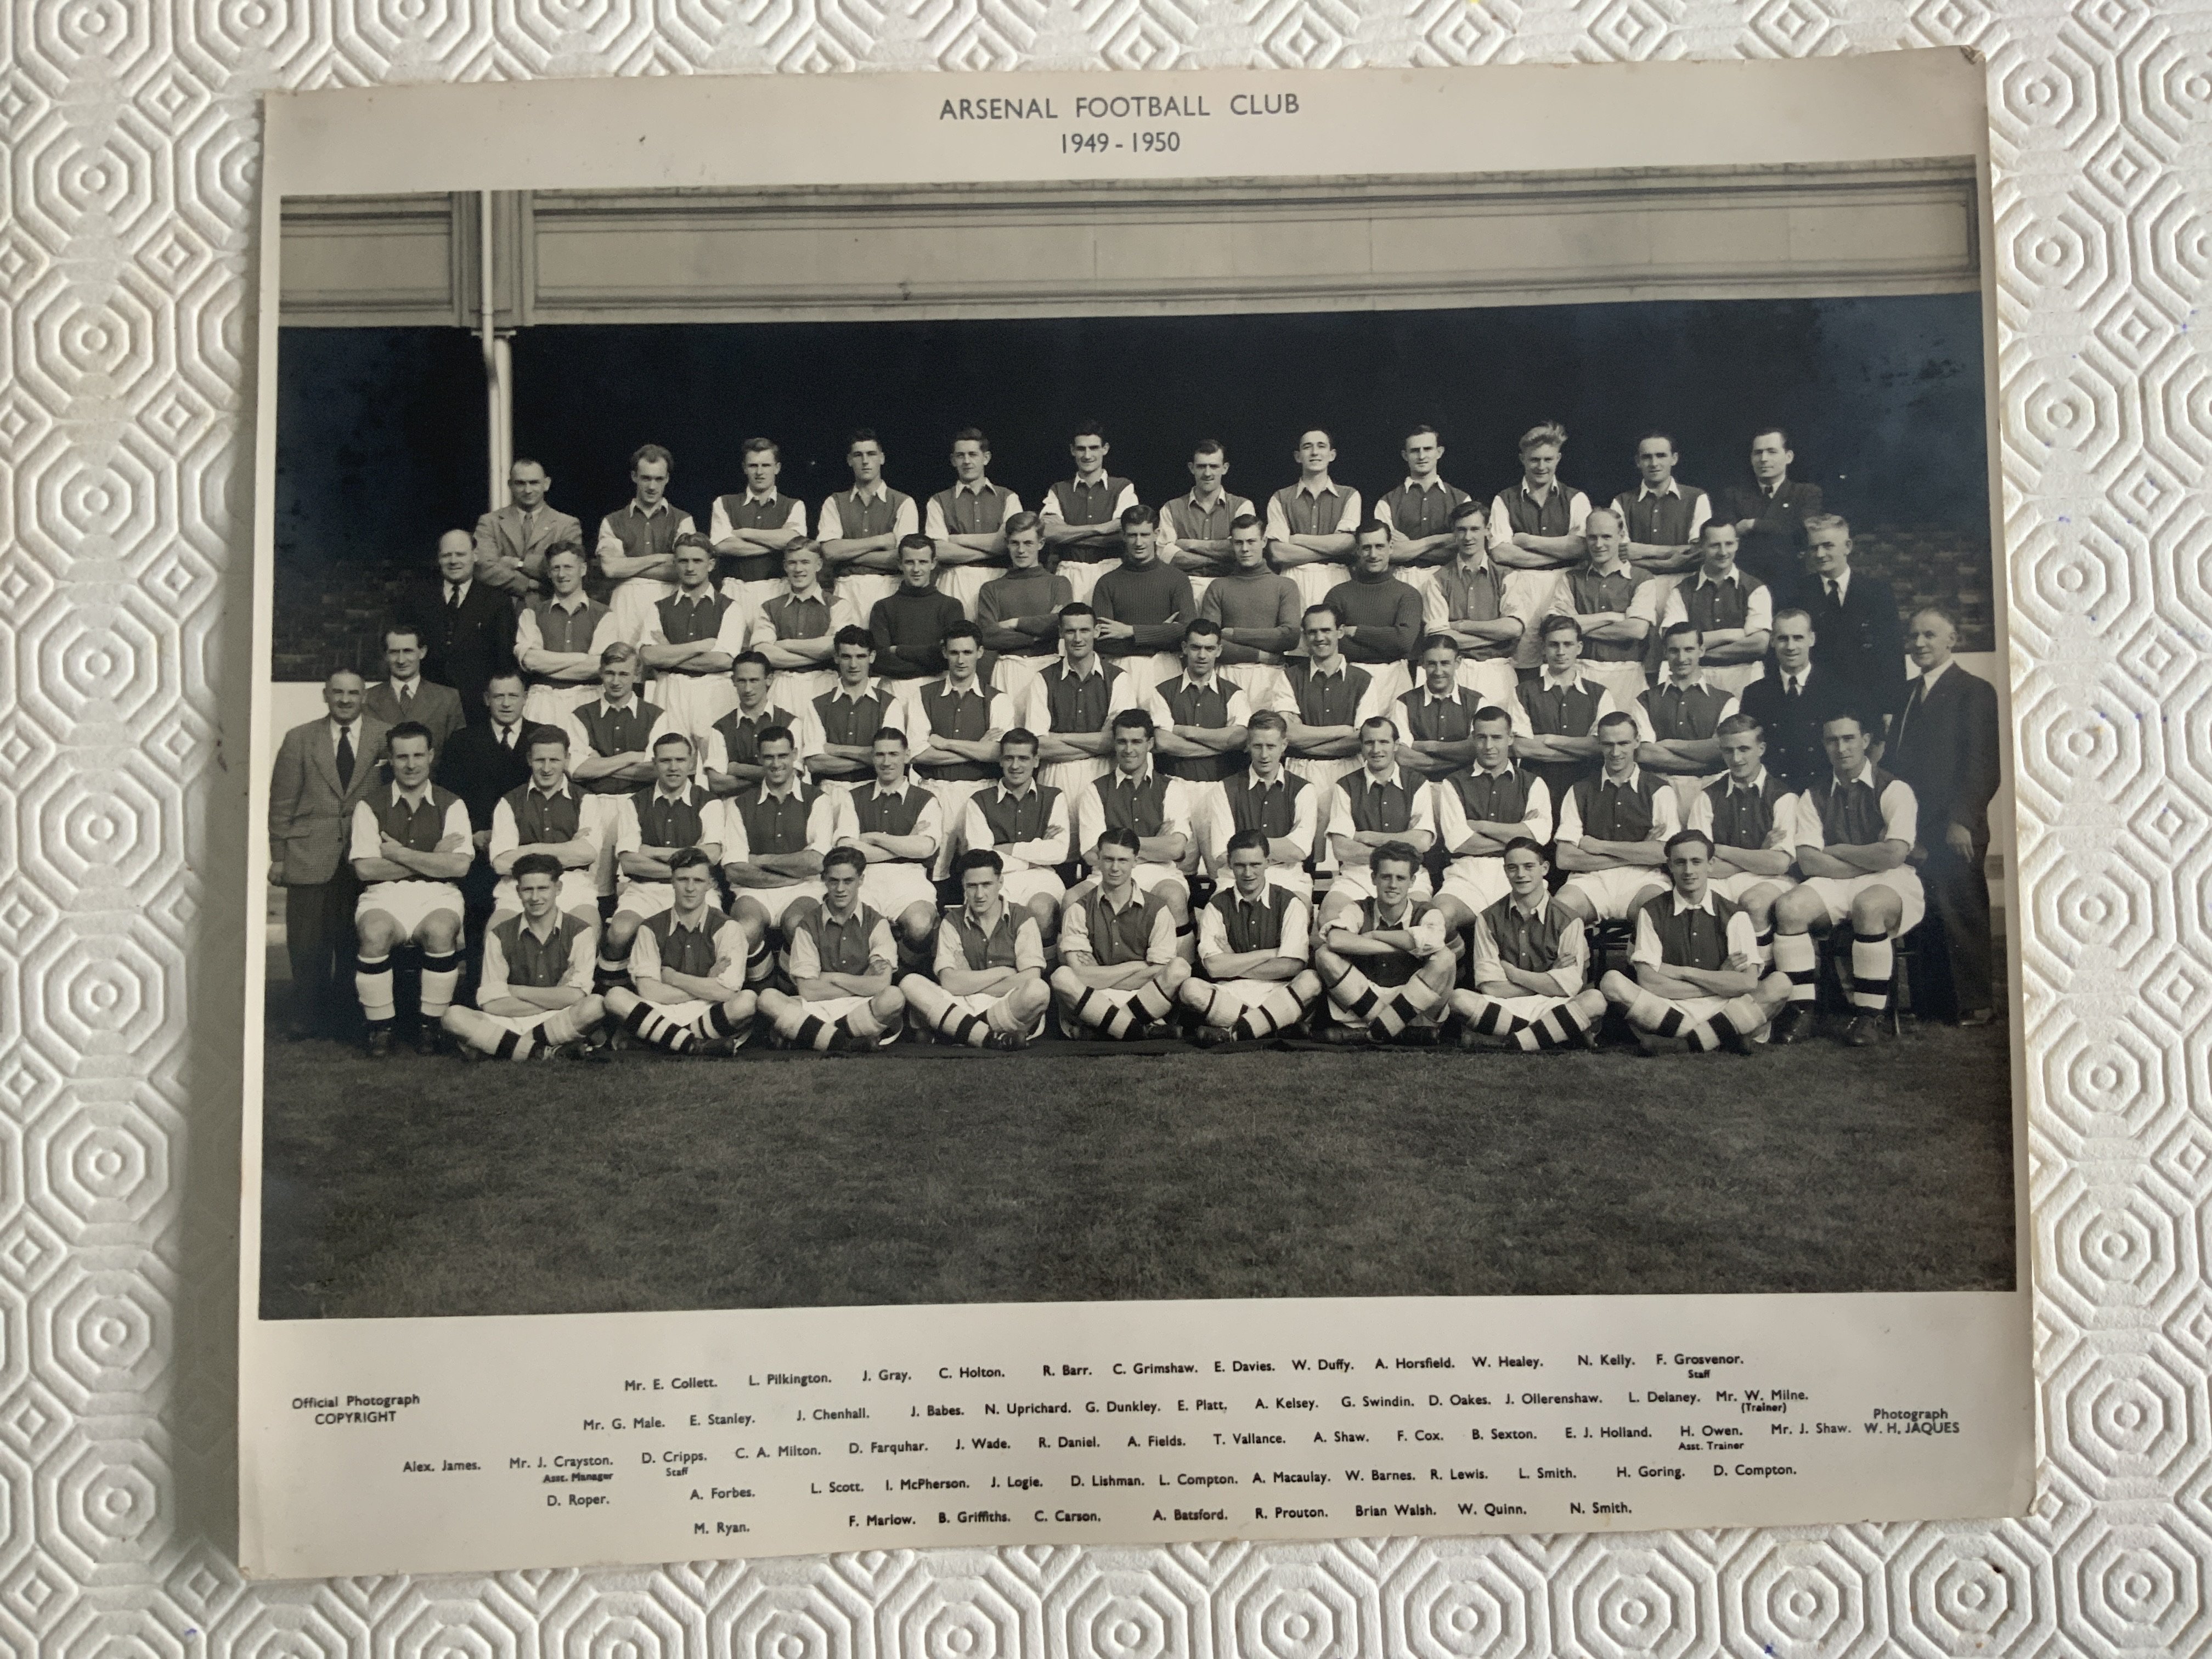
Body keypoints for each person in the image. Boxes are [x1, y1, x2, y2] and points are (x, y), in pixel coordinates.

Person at [1769, 710, 1926, 1047]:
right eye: (1832, 740)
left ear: (1866, 741)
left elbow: (1894, 855)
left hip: (1891, 879)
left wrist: (1837, 848)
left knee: (1868, 906)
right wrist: (1869, 855)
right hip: (1837, 879)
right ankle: (1802, 1011)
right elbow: (1809, 861)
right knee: (1789, 907)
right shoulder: (1814, 794)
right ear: (1825, 746)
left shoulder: (1895, 789)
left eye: (1849, 738)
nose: (1841, 748)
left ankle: (1869, 1016)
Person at [1884, 606, 2002, 1024]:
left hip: (1955, 827)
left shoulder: (1974, 691)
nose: (1920, 644)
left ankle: (1975, 1003)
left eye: (1930, 635)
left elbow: (1983, 763)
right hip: (1917, 825)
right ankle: (1932, 1004)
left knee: (1962, 913)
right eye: (1914, 636)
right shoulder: (1905, 693)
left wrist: (1962, 820)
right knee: (1926, 913)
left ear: (1952, 640)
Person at [268, 670, 389, 1039]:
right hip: (310, 852)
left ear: (364, 696)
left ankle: (348, 1017)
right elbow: (282, 802)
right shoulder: (299, 739)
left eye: (353, 693)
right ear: (325, 695)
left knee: (353, 938)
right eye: (338, 693)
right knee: (306, 943)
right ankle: (305, 1015)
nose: (346, 700)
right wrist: (278, 855)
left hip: (362, 854)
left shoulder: (385, 737)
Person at [1599, 830, 1792, 1053]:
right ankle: (1725, 1035)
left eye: (1696, 862)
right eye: (1680, 863)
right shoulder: (1652, 912)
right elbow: (1650, 983)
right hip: (1670, 1007)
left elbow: (1748, 983)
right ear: (1670, 866)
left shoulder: (1734, 914)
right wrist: (1721, 981)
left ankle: (1682, 1044)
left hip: (1725, 1006)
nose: (1689, 871)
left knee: (1781, 984)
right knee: (1612, 982)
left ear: (1710, 865)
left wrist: (1683, 972)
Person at [348, 720, 472, 1057]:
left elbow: (459, 866)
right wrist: (434, 857)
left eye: (419, 755)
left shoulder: (452, 804)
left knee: (440, 930)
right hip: (383, 894)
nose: (412, 764)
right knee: (374, 933)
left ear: (431, 756)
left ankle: (430, 1026)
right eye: (402, 757)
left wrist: (400, 854)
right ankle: (381, 1028)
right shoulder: (369, 806)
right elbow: (365, 868)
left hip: (439, 894)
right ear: (391, 759)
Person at [439, 854, 607, 1063]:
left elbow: (577, 997)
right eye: (528, 890)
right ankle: (547, 1051)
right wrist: (557, 997)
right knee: (453, 1017)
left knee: (596, 1005)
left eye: (543, 888)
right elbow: (490, 1003)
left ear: (559, 889)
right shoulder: (500, 934)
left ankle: (504, 1047)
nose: (535, 898)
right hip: (509, 1018)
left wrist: (516, 991)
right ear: (518, 891)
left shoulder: (581, 932)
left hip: (556, 1017)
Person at [1447, 837, 1607, 1052]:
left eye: (1529, 867)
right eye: (1513, 868)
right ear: (1505, 871)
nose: (1521, 875)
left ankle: (1510, 1041)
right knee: (1459, 999)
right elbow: (1490, 986)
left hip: (1554, 1006)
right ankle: (1557, 1035)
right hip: (1507, 1006)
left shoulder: (1569, 919)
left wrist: (1513, 974)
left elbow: (1570, 987)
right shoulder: (1489, 918)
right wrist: (1549, 979)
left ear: (1544, 868)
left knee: (1595, 1000)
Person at [601, 848, 758, 1056]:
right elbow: (648, 991)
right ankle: (695, 1044)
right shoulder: (651, 927)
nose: (690, 888)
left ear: (710, 885)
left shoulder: (728, 927)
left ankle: (661, 1040)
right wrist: (705, 982)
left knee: (747, 1002)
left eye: (698, 881)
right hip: (663, 1009)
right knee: (615, 997)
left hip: (704, 1010)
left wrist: (672, 977)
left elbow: (727, 992)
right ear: (672, 882)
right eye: (683, 879)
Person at [601, 732, 727, 989]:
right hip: (643, 890)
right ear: (655, 764)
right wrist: (686, 860)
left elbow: (710, 856)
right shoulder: (633, 804)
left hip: (697, 888)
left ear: (692, 763)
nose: (673, 767)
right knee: (619, 933)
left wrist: (652, 851)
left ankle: (703, 993)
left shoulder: (709, 802)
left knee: (711, 935)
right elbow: (630, 863)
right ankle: (614, 995)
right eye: (665, 760)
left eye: (680, 760)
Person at [721, 725, 842, 988]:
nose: (776, 764)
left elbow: (817, 862)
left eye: (783, 756)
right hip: (753, 891)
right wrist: (790, 875)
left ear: (794, 755)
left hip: (804, 890)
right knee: (744, 930)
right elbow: (734, 870)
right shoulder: (740, 804)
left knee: (800, 926)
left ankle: (789, 992)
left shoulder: (818, 800)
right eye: (769, 757)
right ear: (759, 759)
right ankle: (761, 989)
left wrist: (759, 860)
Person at [757, 845, 909, 1051]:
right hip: (818, 1007)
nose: (840, 889)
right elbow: (808, 990)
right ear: (824, 880)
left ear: (861, 880)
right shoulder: (808, 925)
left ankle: (809, 1036)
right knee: (767, 999)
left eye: (848, 881)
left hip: (861, 1005)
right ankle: (846, 1041)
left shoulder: (877, 923)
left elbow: (881, 985)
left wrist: (832, 978)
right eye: (834, 881)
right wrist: (863, 981)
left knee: (894, 997)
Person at [1180, 830, 1322, 1045]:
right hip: (1232, 995)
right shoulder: (1216, 906)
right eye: (1240, 865)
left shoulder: (1290, 903)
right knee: (1190, 989)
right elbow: (1214, 968)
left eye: (1255, 865)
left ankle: (1233, 1033)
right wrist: (1271, 953)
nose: (1248, 873)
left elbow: (1292, 967)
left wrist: (1234, 961)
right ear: (1230, 864)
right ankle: (1270, 1026)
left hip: (1280, 992)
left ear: (1268, 862)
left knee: (1311, 981)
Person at [901, 850, 1052, 1049]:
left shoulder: (1022, 918)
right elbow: (950, 983)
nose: (980, 895)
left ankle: (955, 1034)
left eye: (987, 885)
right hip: (960, 1003)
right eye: (972, 886)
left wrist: (971, 983)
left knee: (1038, 991)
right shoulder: (952, 921)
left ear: (1000, 882)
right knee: (909, 983)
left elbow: (1030, 977)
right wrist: (1003, 972)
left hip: (1005, 1003)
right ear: (963, 885)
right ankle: (991, 1037)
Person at [1049, 827, 1190, 1040]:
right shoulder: (1079, 909)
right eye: (1108, 859)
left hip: (1144, 996)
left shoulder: (1158, 909)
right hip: (1095, 997)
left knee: (1180, 968)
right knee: (1062, 977)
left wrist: (1100, 973)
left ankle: (1105, 1028)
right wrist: (1138, 966)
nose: (1115, 868)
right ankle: (1140, 1028)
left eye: (1123, 860)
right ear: (1098, 859)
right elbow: (1079, 975)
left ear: (1136, 861)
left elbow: (1160, 972)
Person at [1073, 711, 1195, 951]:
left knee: (1173, 896)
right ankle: (1083, 974)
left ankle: (1181, 971)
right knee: (1072, 899)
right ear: (1114, 744)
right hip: (1108, 872)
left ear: (1150, 744)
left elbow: (1176, 847)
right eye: (1122, 741)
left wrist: (1114, 843)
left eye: (1137, 742)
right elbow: (1090, 854)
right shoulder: (1096, 790)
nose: (1129, 750)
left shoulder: (1171, 788)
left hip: (1159, 872)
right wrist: (1157, 844)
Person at [1685, 712, 1798, 968]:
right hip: (1721, 879)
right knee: (1695, 902)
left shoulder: (1783, 797)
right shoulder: (1707, 797)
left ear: (1761, 748)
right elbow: (1699, 865)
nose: (1736, 759)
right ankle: (1712, 976)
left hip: (1773, 881)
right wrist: (1759, 854)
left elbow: (1780, 864)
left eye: (1744, 749)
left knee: (1754, 903)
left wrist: (1721, 850)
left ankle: (1761, 975)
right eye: (1728, 751)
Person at [1313, 840, 1453, 1045]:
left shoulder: (1427, 911)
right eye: (1386, 877)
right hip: (1365, 1000)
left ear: (1412, 881)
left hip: (1413, 1001)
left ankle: (1379, 1030)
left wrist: (1376, 936)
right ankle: (1393, 1029)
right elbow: (1335, 939)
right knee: (1324, 955)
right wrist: (1402, 948)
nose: (1393, 885)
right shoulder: (1359, 908)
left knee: (1446, 958)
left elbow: (1433, 942)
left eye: (1400, 878)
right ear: (1374, 878)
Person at [434, 671, 548, 921]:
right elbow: (449, 797)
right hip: (479, 849)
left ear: (525, 698)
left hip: (529, 847)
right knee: (478, 918)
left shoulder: (543, 739)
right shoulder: (462, 741)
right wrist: (474, 834)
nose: (506, 703)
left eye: (513, 696)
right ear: (487, 699)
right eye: (499, 696)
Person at [1430, 704, 1554, 929]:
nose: (1489, 746)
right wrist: (1519, 833)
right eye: (1481, 738)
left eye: (1496, 737)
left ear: (1510, 738)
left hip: (1520, 872)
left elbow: (1540, 838)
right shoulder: (1453, 783)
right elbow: (1458, 842)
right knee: (1439, 917)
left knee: (1538, 921)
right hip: (1467, 874)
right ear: (1473, 738)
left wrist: (1480, 826)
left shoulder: (1533, 783)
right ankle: (1455, 959)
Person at [1551, 712, 1678, 927]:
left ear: (1637, 741)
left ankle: (1638, 960)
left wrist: (1598, 846)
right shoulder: (1580, 790)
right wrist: (1640, 851)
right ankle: (1579, 961)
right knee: (1559, 911)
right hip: (1591, 880)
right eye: (1608, 744)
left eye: (1624, 743)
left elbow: (1664, 855)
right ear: (1599, 744)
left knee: (1658, 912)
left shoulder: (1660, 790)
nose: (1616, 752)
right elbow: (1565, 859)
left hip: (1645, 878)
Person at [910, 621, 1017, 874]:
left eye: (968, 652)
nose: (961, 660)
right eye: (955, 652)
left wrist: (947, 744)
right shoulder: (923, 695)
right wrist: (978, 749)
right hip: (935, 792)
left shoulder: (998, 699)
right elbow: (918, 754)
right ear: (945, 652)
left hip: (983, 792)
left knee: (980, 869)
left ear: (980, 652)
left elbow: (998, 753)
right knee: (934, 870)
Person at [1513, 613, 1645, 806]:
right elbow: (1521, 747)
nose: (1561, 652)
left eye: (1568, 644)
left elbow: (1600, 747)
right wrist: (1581, 748)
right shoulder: (1523, 692)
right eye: (1554, 645)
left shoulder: (1600, 694)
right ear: (1543, 648)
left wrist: (1550, 740)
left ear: (1579, 648)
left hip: (1588, 790)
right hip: (1535, 789)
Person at [837, 727, 945, 963]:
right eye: (880, 755)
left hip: (910, 878)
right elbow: (847, 852)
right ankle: (872, 981)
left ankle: (905, 977)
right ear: (873, 758)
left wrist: (874, 837)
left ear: (907, 756)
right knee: (852, 926)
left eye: (894, 754)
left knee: (920, 925)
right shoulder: (852, 797)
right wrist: (905, 843)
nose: (887, 762)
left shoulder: (926, 799)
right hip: (865, 878)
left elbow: (925, 848)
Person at [957, 729, 1073, 945]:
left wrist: (1005, 849)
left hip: (1043, 876)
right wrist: (1035, 854)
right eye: (1009, 758)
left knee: (1042, 911)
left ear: (1036, 761)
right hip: (997, 879)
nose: (1015, 766)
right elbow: (981, 859)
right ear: (1001, 761)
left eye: (1023, 758)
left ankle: (1040, 973)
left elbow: (1058, 852)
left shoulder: (1053, 797)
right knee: (993, 919)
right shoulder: (979, 801)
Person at [1789, 514, 1906, 722]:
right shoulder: (1799, 594)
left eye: (1828, 546)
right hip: (1816, 705)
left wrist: (1890, 709)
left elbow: (1892, 655)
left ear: (1848, 546)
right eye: (1814, 548)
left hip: (1867, 704)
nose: (1820, 554)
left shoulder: (1877, 593)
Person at [1420, 501, 1536, 709]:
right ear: (1454, 534)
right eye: (1462, 530)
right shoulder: (1437, 580)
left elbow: (1514, 628)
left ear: (1488, 531)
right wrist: (1497, 638)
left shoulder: (1507, 576)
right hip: (1457, 672)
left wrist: (1462, 626)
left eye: (1475, 529)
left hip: (1498, 673)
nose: (1468, 537)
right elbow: (1440, 640)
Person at [639, 532, 751, 746]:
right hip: (670, 691)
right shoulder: (659, 608)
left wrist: (669, 651)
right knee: (671, 760)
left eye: (697, 561)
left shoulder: (730, 607)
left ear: (711, 564)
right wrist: (699, 647)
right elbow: (648, 656)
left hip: (714, 691)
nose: (690, 568)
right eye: (683, 561)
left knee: (715, 764)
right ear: (675, 564)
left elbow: (723, 661)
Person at [1022, 603, 1141, 800]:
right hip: (1055, 778)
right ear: (1061, 633)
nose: (1078, 639)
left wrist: (1058, 737)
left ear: (1096, 631)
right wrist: (1098, 743)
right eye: (1071, 631)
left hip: (1104, 777)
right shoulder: (1043, 679)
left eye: (1084, 630)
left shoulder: (1119, 679)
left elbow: (1116, 742)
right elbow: (1039, 746)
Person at [1319, 716, 1435, 919]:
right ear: (1362, 747)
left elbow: (1423, 841)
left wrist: (1369, 837)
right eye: (1369, 743)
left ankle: (1374, 943)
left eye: (1384, 742)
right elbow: (1342, 849)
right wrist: (1401, 844)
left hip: (1406, 875)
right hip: (1358, 876)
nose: (1376, 750)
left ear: (1396, 745)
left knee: (1422, 921)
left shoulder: (1417, 783)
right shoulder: (1345, 786)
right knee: (1329, 918)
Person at [486, 725, 601, 926]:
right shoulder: (509, 802)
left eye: (554, 760)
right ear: (530, 759)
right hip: (519, 886)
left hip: (572, 885)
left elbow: (587, 853)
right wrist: (567, 849)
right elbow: (501, 863)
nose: (547, 769)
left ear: (567, 760)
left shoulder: (586, 800)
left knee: (586, 932)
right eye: (540, 760)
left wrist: (530, 849)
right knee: (495, 935)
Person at [1197, 709, 1314, 897]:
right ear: (1248, 745)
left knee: (1298, 912)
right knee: (1216, 918)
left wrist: (1240, 847)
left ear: (1284, 745)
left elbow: (1300, 851)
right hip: (1236, 878)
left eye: (1271, 746)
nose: (1264, 755)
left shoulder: (1304, 790)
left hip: (1287, 876)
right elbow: (1221, 852)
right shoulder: (1225, 789)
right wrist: (1281, 847)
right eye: (1258, 746)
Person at [1271, 603, 1389, 789]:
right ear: (1304, 636)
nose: (1319, 638)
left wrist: (1306, 743)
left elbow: (1363, 739)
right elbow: (1288, 733)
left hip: (1349, 771)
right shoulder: (1289, 677)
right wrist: (1342, 730)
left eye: (1326, 630)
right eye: (1312, 632)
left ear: (1340, 632)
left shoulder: (1363, 680)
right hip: (1300, 772)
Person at [408, 529, 516, 722]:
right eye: (447, 555)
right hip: (427, 706)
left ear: (475, 556)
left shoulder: (497, 601)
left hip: (477, 709)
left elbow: (504, 660)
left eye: (460, 554)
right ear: (439, 559)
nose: (453, 561)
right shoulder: (417, 599)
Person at [1736, 609, 1849, 790]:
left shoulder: (1836, 691)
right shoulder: (1755, 694)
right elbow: (1748, 751)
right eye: (1783, 638)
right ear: (1772, 641)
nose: (1790, 647)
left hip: (1824, 793)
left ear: (1812, 639)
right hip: (1773, 794)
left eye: (1798, 638)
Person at [596, 443, 697, 639]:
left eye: (659, 479)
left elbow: (682, 570)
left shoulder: (683, 520)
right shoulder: (613, 521)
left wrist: (629, 566)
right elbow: (611, 569)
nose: (652, 486)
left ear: (667, 479)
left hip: (669, 599)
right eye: (646, 478)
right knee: (625, 661)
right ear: (634, 477)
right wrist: (661, 558)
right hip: (626, 603)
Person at [1657, 522, 1771, 695]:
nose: (1723, 552)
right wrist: (1730, 634)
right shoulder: (1682, 591)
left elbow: (1760, 644)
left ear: (1737, 544)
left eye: (1729, 544)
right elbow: (1673, 640)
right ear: (1702, 547)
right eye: (1715, 545)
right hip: (1696, 678)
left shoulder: (1755, 588)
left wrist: (1695, 651)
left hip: (1744, 676)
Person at [1636, 623, 1741, 811]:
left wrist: (1669, 744)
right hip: (1660, 790)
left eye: (1689, 650)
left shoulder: (1727, 701)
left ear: (1702, 651)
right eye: (1674, 651)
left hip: (1711, 791)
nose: (1682, 658)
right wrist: (1707, 761)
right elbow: (1645, 753)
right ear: (1666, 653)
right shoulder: (1645, 700)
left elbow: (1721, 750)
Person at [1091, 505, 1197, 688]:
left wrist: (1131, 631)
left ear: (1156, 534)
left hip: (1166, 666)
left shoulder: (1177, 579)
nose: (1139, 543)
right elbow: (1102, 641)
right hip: (1122, 667)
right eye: (1132, 535)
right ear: (1123, 536)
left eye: (1145, 535)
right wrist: (1161, 634)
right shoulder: (1107, 583)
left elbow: (1188, 632)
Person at [515, 544, 616, 725]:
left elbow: (599, 667)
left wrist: (547, 662)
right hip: (543, 702)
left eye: (568, 567)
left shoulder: (605, 614)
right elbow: (531, 661)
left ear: (583, 569)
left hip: (589, 701)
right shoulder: (532, 612)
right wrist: (583, 658)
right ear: (549, 573)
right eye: (556, 568)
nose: (562, 575)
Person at [924, 427, 1023, 612]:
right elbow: (939, 550)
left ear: (986, 458)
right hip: (955, 582)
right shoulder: (939, 501)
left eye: (973, 455)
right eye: (961, 456)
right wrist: (993, 550)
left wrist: (957, 539)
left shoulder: (1008, 498)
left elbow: (1009, 544)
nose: (967, 461)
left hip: (999, 579)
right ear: (953, 460)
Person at [1565, 507, 1657, 703]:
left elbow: (1637, 630)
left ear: (1621, 536)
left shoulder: (1642, 578)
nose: (1599, 545)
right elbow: (1555, 627)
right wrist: (1611, 617)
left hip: (1628, 676)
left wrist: (1576, 627)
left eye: (1606, 537)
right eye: (1592, 538)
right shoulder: (1571, 578)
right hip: (1581, 672)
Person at [702, 652, 825, 797]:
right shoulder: (721, 728)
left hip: (780, 805)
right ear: (733, 681)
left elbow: (792, 776)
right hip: (736, 807)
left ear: (769, 680)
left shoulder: (791, 723)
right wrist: (772, 774)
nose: (748, 689)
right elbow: (717, 783)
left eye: (754, 681)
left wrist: (737, 769)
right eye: (742, 681)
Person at [817, 430, 918, 606]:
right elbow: (830, 551)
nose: (865, 461)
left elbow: (902, 559)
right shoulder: (834, 502)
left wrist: (847, 555)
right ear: (849, 460)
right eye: (858, 455)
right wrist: (880, 541)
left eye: (871, 454)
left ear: (882, 458)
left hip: (889, 589)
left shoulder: (904, 502)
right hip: (845, 592)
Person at [1145, 619, 1251, 785]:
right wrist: (1219, 746)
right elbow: (1163, 742)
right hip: (1173, 786)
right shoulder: (1162, 692)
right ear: (1185, 648)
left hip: (1221, 787)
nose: (1202, 655)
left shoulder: (1234, 694)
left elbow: (1240, 739)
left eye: (1209, 649)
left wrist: (1187, 732)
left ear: (1219, 651)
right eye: (1196, 647)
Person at [1264, 428, 1362, 607]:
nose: (1315, 452)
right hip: (1294, 580)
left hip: (1336, 578)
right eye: (1308, 447)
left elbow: (1348, 543)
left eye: (1321, 446)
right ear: (1298, 456)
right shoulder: (1280, 498)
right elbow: (1278, 553)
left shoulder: (1350, 495)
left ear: (1332, 455)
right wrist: (1332, 547)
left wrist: (1298, 539)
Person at [747, 543, 864, 689]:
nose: (798, 569)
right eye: (792, 563)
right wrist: (819, 657)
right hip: (783, 686)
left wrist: (785, 644)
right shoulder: (769, 607)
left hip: (825, 685)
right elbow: (763, 653)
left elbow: (836, 647)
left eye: (805, 562)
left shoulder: (839, 605)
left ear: (819, 565)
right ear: (785, 567)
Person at [1197, 512, 1302, 673]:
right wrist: (1258, 655)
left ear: (1264, 542)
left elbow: (1290, 637)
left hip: (1272, 674)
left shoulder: (1285, 586)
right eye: (1239, 543)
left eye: (1251, 542)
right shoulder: (1218, 587)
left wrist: (1234, 635)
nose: (1245, 549)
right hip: (1227, 674)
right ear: (1232, 544)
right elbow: (1208, 642)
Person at [1721, 425, 1824, 586]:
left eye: (1772, 452)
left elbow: (1802, 531)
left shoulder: (1806, 493)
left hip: (1791, 583)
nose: (1764, 459)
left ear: (1788, 457)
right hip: (1745, 584)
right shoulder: (1734, 496)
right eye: (1758, 453)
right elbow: (1726, 536)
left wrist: (1752, 524)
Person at [1037, 421, 1137, 583]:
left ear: (1105, 449)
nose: (1087, 455)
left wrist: (1066, 533)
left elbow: (1123, 534)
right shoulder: (1058, 489)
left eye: (1094, 448)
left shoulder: (1123, 487)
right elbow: (1048, 533)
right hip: (1069, 573)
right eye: (1081, 449)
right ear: (1072, 450)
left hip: (1112, 571)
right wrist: (1101, 528)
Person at [471, 458, 583, 602]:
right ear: (510, 485)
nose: (528, 490)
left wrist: (518, 563)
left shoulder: (567, 524)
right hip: (500, 610)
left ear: (546, 484)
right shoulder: (489, 522)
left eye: (534, 483)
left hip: (550, 609)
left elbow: (567, 568)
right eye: (520, 483)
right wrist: (529, 584)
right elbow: (483, 568)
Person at [810, 626, 909, 785]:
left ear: (872, 657)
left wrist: (837, 749)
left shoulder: (890, 704)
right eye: (847, 657)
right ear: (836, 658)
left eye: (861, 656)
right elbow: (815, 764)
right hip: (828, 793)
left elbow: (891, 760)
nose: (853, 665)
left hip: (873, 793)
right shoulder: (818, 705)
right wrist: (869, 757)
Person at [708, 436, 809, 592]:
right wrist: (777, 545)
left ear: (777, 468)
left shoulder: (794, 505)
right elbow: (722, 546)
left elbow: (794, 542)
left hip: (778, 590)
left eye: (766, 465)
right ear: (744, 468)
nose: (760, 472)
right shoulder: (724, 503)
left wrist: (745, 533)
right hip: (734, 590)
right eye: (753, 466)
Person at [974, 512, 1073, 667]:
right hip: (1007, 668)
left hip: (1049, 666)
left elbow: (1061, 623)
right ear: (1007, 543)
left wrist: (1013, 623)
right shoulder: (991, 589)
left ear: (1041, 544)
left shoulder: (1059, 583)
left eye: (1028, 543)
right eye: (1015, 543)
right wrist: (1035, 637)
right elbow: (988, 636)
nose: (1021, 550)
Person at [867, 534, 969, 681]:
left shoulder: (951, 606)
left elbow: (950, 658)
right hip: (896, 687)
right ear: (900, 564)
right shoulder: (883, 608)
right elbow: (879, 661)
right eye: (910, 562)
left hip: (938, 688)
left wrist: (899, 650)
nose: (916, 569)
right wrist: (932, 657)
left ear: (933, 564)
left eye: (923, 562)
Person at [1322, 521, 1425, 667]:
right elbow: (1331, 643)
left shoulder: (1408, 595)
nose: (1373, 555)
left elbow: (1403, 642)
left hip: (1394, 678)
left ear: (1391, 548)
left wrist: (1356, 632)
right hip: (1349, 675)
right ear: (1357, 550)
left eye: (1380, 547)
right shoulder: (1338, 595)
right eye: (1366, 548)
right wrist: (1386, 644)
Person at [1373, 424, 1470, 568]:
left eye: (1428, 449)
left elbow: (1465, 550)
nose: (1422, 456)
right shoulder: (1387, 502)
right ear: (1405, 456)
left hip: (1449, 579)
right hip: (1403, 579)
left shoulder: (1462, 500)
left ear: (1439, 452)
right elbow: (1387, 553)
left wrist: (1409, 547)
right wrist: (1440, 540)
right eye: (1415, 451)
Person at [1393, 634, 1488, 782]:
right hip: (1418, 786)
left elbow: (1476, 749)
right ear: (1423, 663)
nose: (1438, 672)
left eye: (1445, 663)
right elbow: (1402, 756)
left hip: (1465, 786)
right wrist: (1459, 760)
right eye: (1432, 664)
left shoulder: (1477, 702)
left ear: (1458, 662)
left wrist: (1430, 747)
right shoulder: (1405, 702)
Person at [1611, 431, 1711, 573]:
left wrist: (1643, 550)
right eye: (1647, 457)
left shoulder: (1697, 498)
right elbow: (1617, 555)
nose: (1654, 463)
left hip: (1686, 583)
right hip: (1635, 584)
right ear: (1638, 462)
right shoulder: (1621, 502)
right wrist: (1669, 561)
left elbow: (1699, 552)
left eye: (1661, 456)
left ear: (1674, 459)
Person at [363, 625, 465, 753]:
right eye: (394, 652)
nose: (401, 660)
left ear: (422, 652)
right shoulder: (367, 699)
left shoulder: (448, 699)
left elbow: (458, 754)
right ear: (385, 655)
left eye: (408, 651)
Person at [1158, 439, 1254, 573]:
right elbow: (1166, 555)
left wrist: (1191, 545)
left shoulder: (1242, 506)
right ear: (1192, 468)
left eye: (1214, 467)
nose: (1207, 473)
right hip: (1184, 585)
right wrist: (1216, 561)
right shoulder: (1171, 508)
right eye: (1201, 467)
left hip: (1229, 585)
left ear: (1225, 468)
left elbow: (1240, 549)